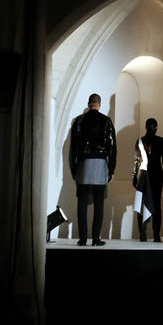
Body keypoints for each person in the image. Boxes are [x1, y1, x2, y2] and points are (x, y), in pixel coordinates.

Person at [69, 93, 117, 246]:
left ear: (88, 103)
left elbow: (73, 147)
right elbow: (112, 147)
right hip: (100, 165)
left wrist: (74, 168)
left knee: (82, 203)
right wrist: (111, 169)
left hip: (83, 164)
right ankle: (96, 239)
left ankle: (82, 239)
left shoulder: (79, 121)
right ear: (99, 104)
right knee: (99, 204)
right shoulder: (106, 121)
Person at [133, 117, 163, 243]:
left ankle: (142, 233)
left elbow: (137, 161)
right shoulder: (162, 141)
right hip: (157, 174)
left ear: (145, 127)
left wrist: (134, 177)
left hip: (144, 175)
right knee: (157, 205)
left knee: (142, 204)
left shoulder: (140, 141)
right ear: (156, 128)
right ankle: (156, 235)